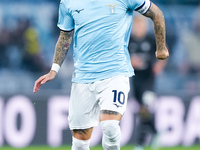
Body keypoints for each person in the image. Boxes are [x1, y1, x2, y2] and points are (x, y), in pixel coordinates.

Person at [33, 0, 169, 149]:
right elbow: (65, 36)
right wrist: (54, 70)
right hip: (82, 78)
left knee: (110, 125)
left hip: (115, 73)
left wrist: (161, 48)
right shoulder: (68, 2)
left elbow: (156, 13)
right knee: (79, 144)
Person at [128, 15, 167, 150]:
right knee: (142, 111)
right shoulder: (129, 41)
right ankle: (155, 132)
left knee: (145, 106)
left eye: (140, 26)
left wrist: (158, 66)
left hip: (149, 80)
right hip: (136, 80)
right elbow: (123, 58)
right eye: (136, 26)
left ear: (145, 27)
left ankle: (141, 143)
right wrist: (132, 62)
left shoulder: (151, 39)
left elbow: (164, 53)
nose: (138, 29)